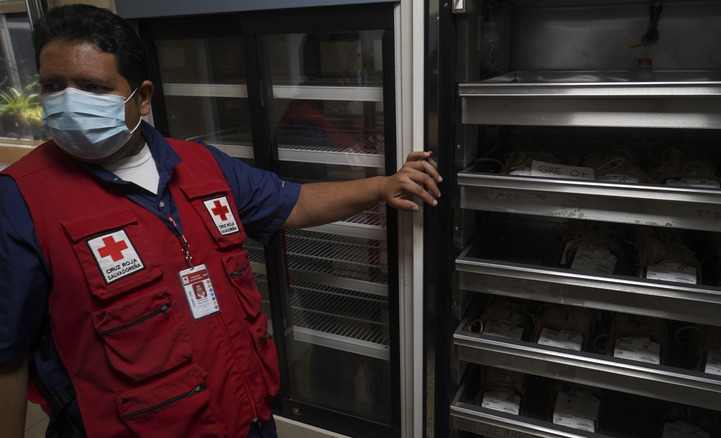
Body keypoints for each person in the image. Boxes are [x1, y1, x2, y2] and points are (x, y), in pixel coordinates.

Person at [0, 4, 441, 438]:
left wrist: (382, 186)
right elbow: (7, 359)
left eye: (93, 88)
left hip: (245, 416)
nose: (70, 104)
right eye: (54, 86)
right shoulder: (20, 199)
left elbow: (292, 202)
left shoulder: (201, 164)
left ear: (144, 96)